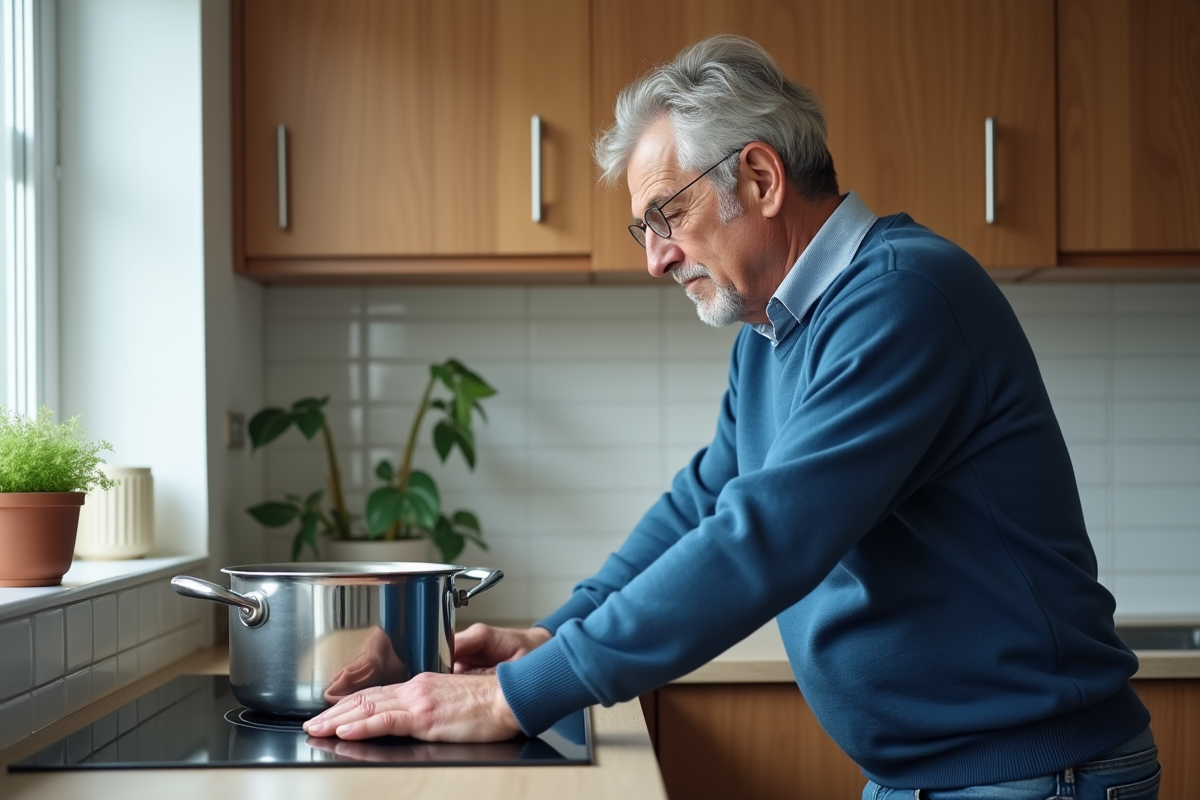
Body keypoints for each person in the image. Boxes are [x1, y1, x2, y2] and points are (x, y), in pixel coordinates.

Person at [303, 34, 1160, 799]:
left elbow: (766, 537)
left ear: (758, 176)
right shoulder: (771, 334)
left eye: (665, 215)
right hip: (938, 777)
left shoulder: (905, 297)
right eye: (643, 227)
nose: (654, 258)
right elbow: (704, 507)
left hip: (1036, 776)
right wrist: (551, 635)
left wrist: (519, 693)